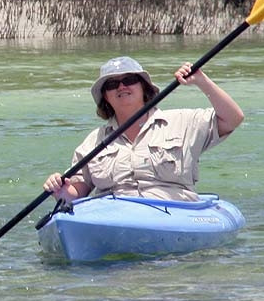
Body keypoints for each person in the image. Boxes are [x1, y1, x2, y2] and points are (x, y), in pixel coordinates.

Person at [43, 56, 244, 202]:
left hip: (174, 213)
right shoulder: (92, 142)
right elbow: (78, 192)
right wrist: (60, 189)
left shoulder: (183, 121)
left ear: (144, 87)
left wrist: (202, 81)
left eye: (129, 80)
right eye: (112, 84)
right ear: (105, 96)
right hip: (115, 218)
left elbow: (233, 118)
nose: (121, 87)